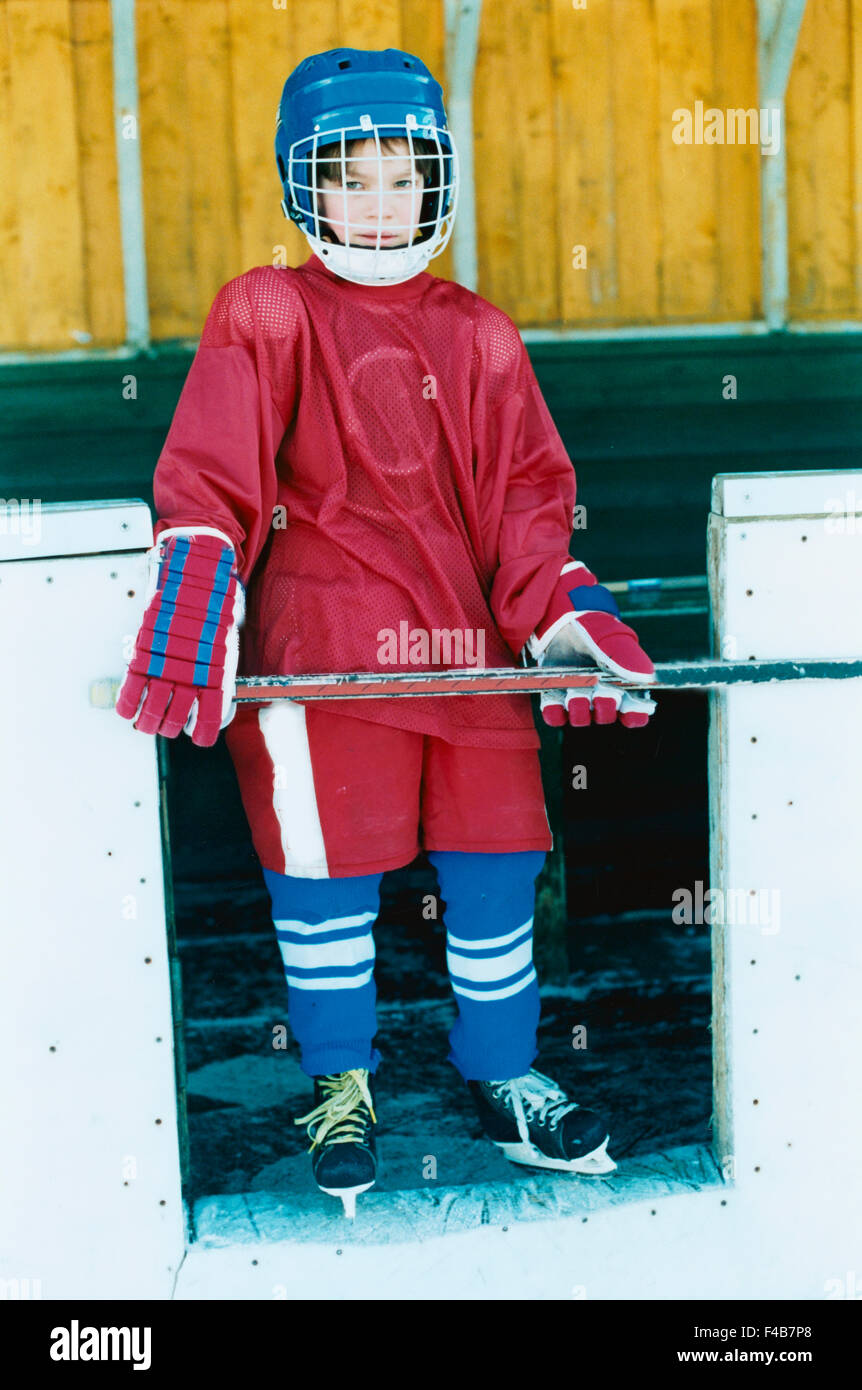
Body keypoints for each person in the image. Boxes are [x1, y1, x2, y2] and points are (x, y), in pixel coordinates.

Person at [115, 46, 657, 1220]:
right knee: (324, 889)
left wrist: (561, 615)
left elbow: (524, 502)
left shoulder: (483, 334)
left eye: (398, 172)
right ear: (302, 185)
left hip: (468, 664)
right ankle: (341, 1083)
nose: (376, 196)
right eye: (345, 173)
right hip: (321, 663)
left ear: (435, 180)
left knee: (497, 873)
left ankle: (505, 1075)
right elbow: (209, 474)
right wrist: (198, 579)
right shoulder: (263, 307)